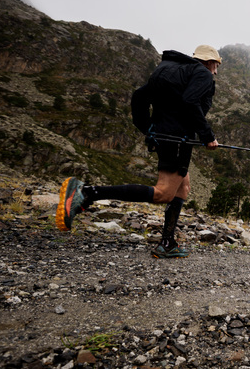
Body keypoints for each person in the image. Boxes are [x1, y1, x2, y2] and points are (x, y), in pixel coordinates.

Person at [56, 44, 222, 258]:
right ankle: (87, 193)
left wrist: (149, 128)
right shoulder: (202, 73)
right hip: (178, 138)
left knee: (183, 186)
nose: (215, 72)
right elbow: (190, 101)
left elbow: (139, 96)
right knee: (164, 193)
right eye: (216, 66)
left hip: (164, 135)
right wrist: (208, 136)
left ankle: (167, 243)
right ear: (210, 62)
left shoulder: (169, 69)